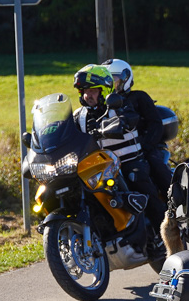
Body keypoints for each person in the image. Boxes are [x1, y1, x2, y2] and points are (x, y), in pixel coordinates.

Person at [72, 64, 167, 259]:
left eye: (92, 91)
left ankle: (163, 233)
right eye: (84, 91)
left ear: (104, 91)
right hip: (101, 166)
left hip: (129, 160)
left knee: (142, 188)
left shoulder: (119, 104)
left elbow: (130, 118)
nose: (87, 95)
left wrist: (121, 123)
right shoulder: (78, 116)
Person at [102, 58, 170, 196]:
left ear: (126, 79)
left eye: (114, 80)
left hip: (145, 147)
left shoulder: (139, 97)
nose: (112, 85)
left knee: (155, 165)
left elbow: (155, 123)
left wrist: (145, 146)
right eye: (107, 81)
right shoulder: (103, 104)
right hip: (116, 153)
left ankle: (174, 200)